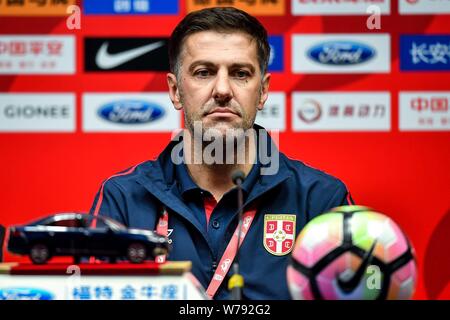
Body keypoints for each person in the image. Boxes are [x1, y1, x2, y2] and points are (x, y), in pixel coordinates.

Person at [89, 7, 354, 300]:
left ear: (263, 91)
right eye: (204, 72)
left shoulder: (320, 200)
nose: (223, 90)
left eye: (240, 74)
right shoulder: (124, 198)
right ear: (175, 90)